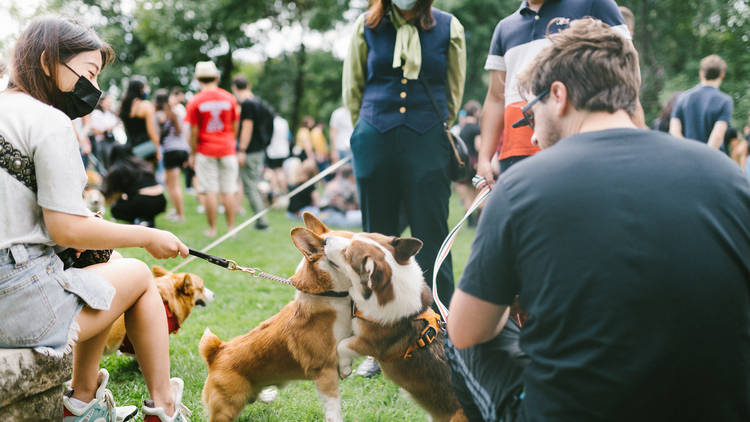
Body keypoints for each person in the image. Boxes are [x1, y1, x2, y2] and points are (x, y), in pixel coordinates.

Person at [445, 19, 750, 421]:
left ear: (558, 95)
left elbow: (468, 331)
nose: (532, 137)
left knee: (457, 332)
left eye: (530, 116)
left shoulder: (523, 184)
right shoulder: (726, 174)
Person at [0, 17, 190, 422]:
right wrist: (146, 235)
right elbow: (66, 227)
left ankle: (81, 402)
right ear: (50, 61)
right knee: (138, 274)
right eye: (88, 74)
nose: (95, 90)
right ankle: (164, 408)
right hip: (16, 302)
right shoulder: (48, 120)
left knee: (107, 267)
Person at [343, 0, 466, 376]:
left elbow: (454, 90)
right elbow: (353, 89)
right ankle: (375, 343)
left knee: (432, 234)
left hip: (427, 142)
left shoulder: (449, 27)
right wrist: (365, 129)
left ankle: (443, 331)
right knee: (374, 244)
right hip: (375, 141)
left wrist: (429, 128)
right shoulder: (365, 25)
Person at [475, 0, 632, 188]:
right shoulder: (504, 28)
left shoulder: (595, 4)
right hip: (516, 154)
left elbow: (627, 67)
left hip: (576, 147)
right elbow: (495, 98)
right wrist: (484, 157)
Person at [185, 61, 240, 238]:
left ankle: (212, 229)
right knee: (229, 189)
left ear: (198, 78)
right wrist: (231, 140)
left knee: (209, 190)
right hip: (227, 148)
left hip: (205, 149)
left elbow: (193, 131)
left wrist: (192, 153)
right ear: (216, 77)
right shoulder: (229, 98)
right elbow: (235, 124)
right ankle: (231, 229)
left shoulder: (195, 101)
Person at [669, 54, 733, 148]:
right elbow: (717, 136)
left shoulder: (683, 97)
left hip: (686, 156)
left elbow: (674, 131)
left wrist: (687, 151)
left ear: (701, 73)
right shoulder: (725, 101)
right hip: (712, 158)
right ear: (722, 74)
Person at [232, 75, 270, 230]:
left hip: (250, 151)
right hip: (259, 150)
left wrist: (241, 149)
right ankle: (261, 219)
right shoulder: (259, 103)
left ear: (235, 88)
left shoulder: (247, 104)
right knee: (253, 184)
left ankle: (262, 221)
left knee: (250, 187)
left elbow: (247, 127)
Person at [104, 145, 167, 227]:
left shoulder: (117, 169)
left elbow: (115, 196)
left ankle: (138, 222)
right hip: (161, 200)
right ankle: (147, 221)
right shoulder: (141, 163)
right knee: (139, 201)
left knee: (116, 209)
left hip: (143, 201)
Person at [154, 89, 190, 222]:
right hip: (183, 150)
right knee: (170, 183)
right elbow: (184, 132)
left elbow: (156, 136)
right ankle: (176, 211)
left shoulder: (158, 115)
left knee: (173, 185)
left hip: (171, 151)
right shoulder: (175, 114)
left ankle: (181, 215)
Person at [119, 76, 161, 165]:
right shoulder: (146, 105)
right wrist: (157, 150)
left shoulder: (124, 106)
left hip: (130, 148)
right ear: (141, 89)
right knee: (146, 175)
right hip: (146, 148)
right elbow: (152, 131)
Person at [88, 93, 119, 170]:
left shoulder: (110, 114)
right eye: (107, 100)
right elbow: (94, 131)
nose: (109, 102)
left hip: (112, 140)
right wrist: (106, 130)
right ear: (102, 102)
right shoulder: (96, 114)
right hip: (102, 142)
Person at [265, 114, 291, 199]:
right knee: (281, 172)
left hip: (273, 151)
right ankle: (284, 193)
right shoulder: (284, 122)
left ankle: (275, 193)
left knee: (273, 173)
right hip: (283, 151)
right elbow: (288, 137)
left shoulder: (271, 122)